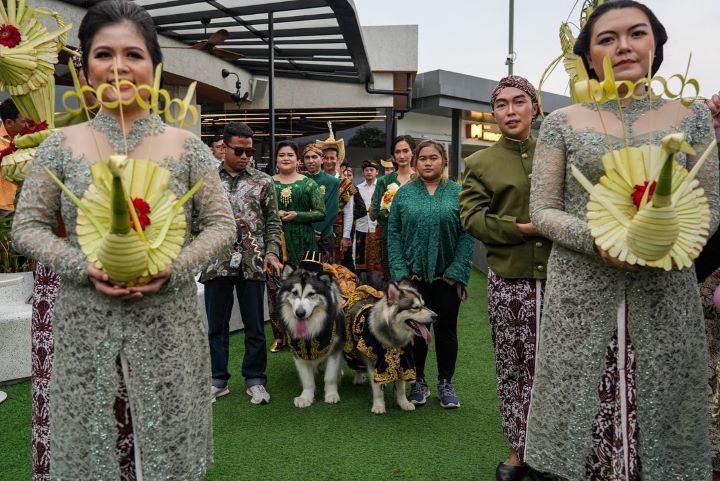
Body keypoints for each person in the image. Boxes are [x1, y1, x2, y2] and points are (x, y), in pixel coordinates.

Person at [11, 1, 236, 479]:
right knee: (93, 446)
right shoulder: (61, 144)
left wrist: (173, 268)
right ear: (85, 66)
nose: (118, 67)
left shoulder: (186, 145)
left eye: (133, 54)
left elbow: (221, 225)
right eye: (102, 54)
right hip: (85, 323)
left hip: (168, 326)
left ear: (155, 66)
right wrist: (80, 266)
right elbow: (26, 227)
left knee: (167, 450)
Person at [524, 2, 719, 479]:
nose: (624, 46)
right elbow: (543, 209)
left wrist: (664, 240)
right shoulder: (563, 121)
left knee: (668, 412)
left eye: (637, 33)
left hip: (666, 288)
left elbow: (710, 205)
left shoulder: (690, 118)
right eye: (607, 39)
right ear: (589, 56)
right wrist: (600, 239)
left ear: (656, 44)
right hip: (581, 292)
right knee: (582, 414)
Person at [460, 76, 551, 481]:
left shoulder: (557, 152)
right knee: (515, 366)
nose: (510, 111)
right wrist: (521, 228)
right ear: (493, 113)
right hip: (510, 282)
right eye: (501, 104)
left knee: (559, 367)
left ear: (535, 106)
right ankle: (518, 451)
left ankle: (556, 452)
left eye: (519, 102)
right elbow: (472, 218)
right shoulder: (479, 164)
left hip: (562, 281)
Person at [199, 122, 282, 404]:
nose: (246, 156)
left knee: (255, 326)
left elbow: (273, 223)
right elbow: (193, 218)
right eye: (239, 150)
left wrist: (272, 253)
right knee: (216, 326)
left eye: (250, 150)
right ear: (223, 148)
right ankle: (217, 379)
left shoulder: (264, 181)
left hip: (254, 261)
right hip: (216, 262)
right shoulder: (206, 179)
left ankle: (255, 379)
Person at [388, 139, 474, 410]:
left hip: (446, 279)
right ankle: (418, 381)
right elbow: (394, 235)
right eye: (422, 158)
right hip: (413, 280)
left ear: (444, 161)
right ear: (415, 162)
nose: (427, 162)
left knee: (447, 331)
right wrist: (401, 274)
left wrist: (456, 271)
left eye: (433, 157)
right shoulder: (404, 194)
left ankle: (446, 382)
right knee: (415, 331)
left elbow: (467, 235)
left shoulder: (458, 193)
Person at [268, 140, 325, 352]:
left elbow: (321, 212)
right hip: (275, 242)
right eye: (282, 155)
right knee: (275, 289)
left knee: (306, 287)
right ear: (276, 158)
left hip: (305, 243)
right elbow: (260, 212)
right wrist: (276, 216)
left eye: (290, 155)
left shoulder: (308, 183)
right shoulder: (268, 183)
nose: (286, 158)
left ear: (297, 159)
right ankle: (280, 336)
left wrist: (297, 215)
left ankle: (307, 334)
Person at [370, 135, 417, 279]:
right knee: (392, 281)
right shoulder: (384, 181)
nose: (402, 156)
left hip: (416, 237)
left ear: (413, 152)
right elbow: (375, 212)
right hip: (390, 237)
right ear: (393, 155)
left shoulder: (421, 179)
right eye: (397, 152)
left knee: (415, 282)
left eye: (405, 151)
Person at [317, 126, 357, 270]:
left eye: (332, 158)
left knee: (336, 269)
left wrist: (346, 236)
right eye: (325, 158)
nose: (329, 161)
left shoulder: (345, 183)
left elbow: (349, 212)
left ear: (337, 159)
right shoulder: (314, 180)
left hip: (338, 231)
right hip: (317, 230)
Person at [303, 143, 339, 261]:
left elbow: (331, 209)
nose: (311, 161)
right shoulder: (300, 180)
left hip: (324, 234)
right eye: (307, 158)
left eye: (314, 157)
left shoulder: (332, 181)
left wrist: (318, 230)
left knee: (325, 272)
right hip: (303, 233)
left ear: (322, 159)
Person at [0, 99, 28, 217]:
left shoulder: (29, 139)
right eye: (23, 122)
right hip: (3, 207)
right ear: (9, 122)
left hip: (23, 206)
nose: (27, 125)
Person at [354, 160, 380, 277]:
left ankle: (376, 282)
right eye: (366, 170)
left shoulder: (381, 187)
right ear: (363, 173)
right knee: (360, 256)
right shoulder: (358, 188)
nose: (369, 172)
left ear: (377, 172)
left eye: (371, 170)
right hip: (361, 225)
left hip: (376, 225)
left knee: (376, 258)